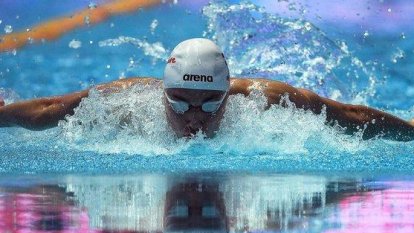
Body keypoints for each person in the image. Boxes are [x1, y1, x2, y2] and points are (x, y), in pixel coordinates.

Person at [0, 38, 413, 141]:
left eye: (210, 103)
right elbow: (54, 108)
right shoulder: (128, 101)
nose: (193, 117)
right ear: (162, 92)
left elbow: (349, 117)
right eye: (178, 103)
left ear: (228, 93)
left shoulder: (263, 100)